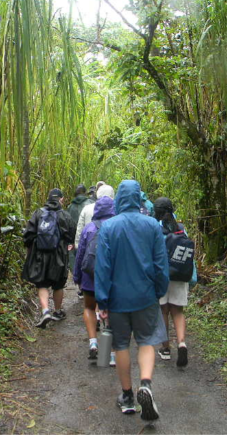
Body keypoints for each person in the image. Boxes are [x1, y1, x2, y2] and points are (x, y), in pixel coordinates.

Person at [95, 180, 169, 421]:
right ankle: (145, 385)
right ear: (138, 198)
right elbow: (160, 264)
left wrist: (102, 301)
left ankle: (127, 396)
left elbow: (103, 267)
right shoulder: (152, 226)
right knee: (147, 340)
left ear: (119, 199)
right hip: (145, 295)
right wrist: (159, 290)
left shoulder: (108, 227)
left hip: (117, 299)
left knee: (121, 345)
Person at [22, 188, 76, 328]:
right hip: (58, 254)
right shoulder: (65, 215)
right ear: (61, 199)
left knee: (42, 283)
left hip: (40, 254)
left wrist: (30, 251)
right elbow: (71, 235)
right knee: (58, 284)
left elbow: (28, 235)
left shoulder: (38, 213)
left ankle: (45, 310)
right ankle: (57, 311)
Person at [73, 193, 115, 362]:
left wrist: (77, 276)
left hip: (90, 276)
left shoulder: (89, 228)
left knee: (90, 308)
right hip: (111, 277)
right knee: (111, 311)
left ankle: (93, 342)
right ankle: (110, 354)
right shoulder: (116, 227)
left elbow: (81, 254)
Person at [154, 197, 190, 367]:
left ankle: (166, 348)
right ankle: (182, 343)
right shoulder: (181, 229)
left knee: (163, 311)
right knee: (178, 311)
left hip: (162, 275)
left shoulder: (156, 229)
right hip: (180, 274)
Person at [68, 184, 95, 296]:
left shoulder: (70, 207)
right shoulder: (90, 204)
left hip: (75, 237)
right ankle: (88, 286)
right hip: (89, 236)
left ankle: (80, 287)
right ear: (85, 193)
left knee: (76, 261)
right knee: (88, 260)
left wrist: (71, 240)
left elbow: (68, 224)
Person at [75, 183, 114, 249]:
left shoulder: (86, 208)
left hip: (89, 248)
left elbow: (80, 231)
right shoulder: (117, 210)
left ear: (97, 194)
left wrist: (77, 247)